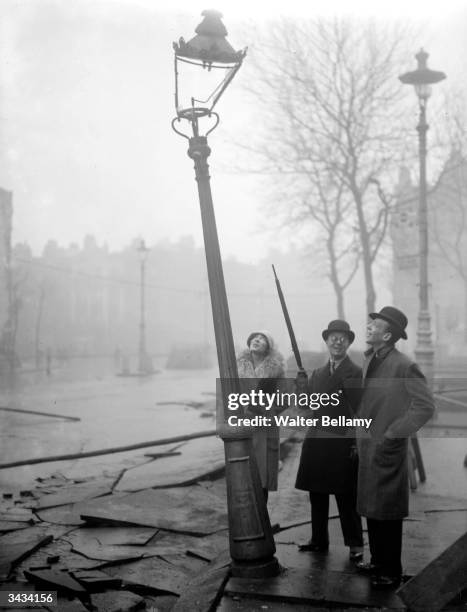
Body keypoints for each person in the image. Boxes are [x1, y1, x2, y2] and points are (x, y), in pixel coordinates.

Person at [356, 306, 435, 589]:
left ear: (387, 335)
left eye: (374, 325)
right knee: (372, 508)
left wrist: (392, 435)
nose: (367, 328)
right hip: (368, 447)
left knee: (387, 512)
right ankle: (378, 560)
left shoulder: (404, 365)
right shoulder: (370, 359)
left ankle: (391, 570)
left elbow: (425, 407)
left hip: (387, 449)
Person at [295, 320, 364, 561]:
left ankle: (355, 544)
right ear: (326, 342)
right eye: (333, 337)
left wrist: (356, 443)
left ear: (348, 342)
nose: (337, 341)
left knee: (346, 495)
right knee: (317, 493)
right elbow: (307, 407)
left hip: (342, 442)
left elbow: (360, 411)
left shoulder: (355, 372)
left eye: (342, 338)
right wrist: (302, 387)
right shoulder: (318, 373)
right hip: (316, 442)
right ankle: (318, 540)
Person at [237, 331, 285, 503]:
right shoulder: (237, 367)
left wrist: (266, 409)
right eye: (255, 338)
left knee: (262, 476)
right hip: (243, 426)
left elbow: (284, 398)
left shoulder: (276, 369)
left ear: (268, 347)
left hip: (265, 427)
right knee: (243, 475)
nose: (257, 340)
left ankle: (262, 521)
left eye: (262, 339)